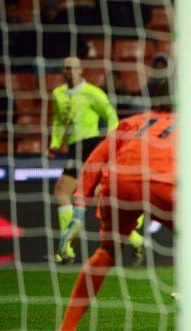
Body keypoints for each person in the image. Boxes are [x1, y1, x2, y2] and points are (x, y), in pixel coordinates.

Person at [49, 82, 191, 331]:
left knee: (107, 252)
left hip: (119, 184)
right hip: (163, 185)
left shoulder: (132, 123)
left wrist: (78, 210)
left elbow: (96, 160)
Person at [48, 57, 143, 264]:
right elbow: (58, 120)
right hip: (75, 147)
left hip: (90, 145)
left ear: (81, 70)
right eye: (65, 67)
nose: (69, 70)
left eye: (73, 66)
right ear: (62, 72)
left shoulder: (93, 93)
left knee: (62, 192)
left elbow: (111, 115)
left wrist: (112, 141)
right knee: (98, 194)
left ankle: (66, 249)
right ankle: (135, 239)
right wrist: (55, 143)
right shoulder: (58, 94)